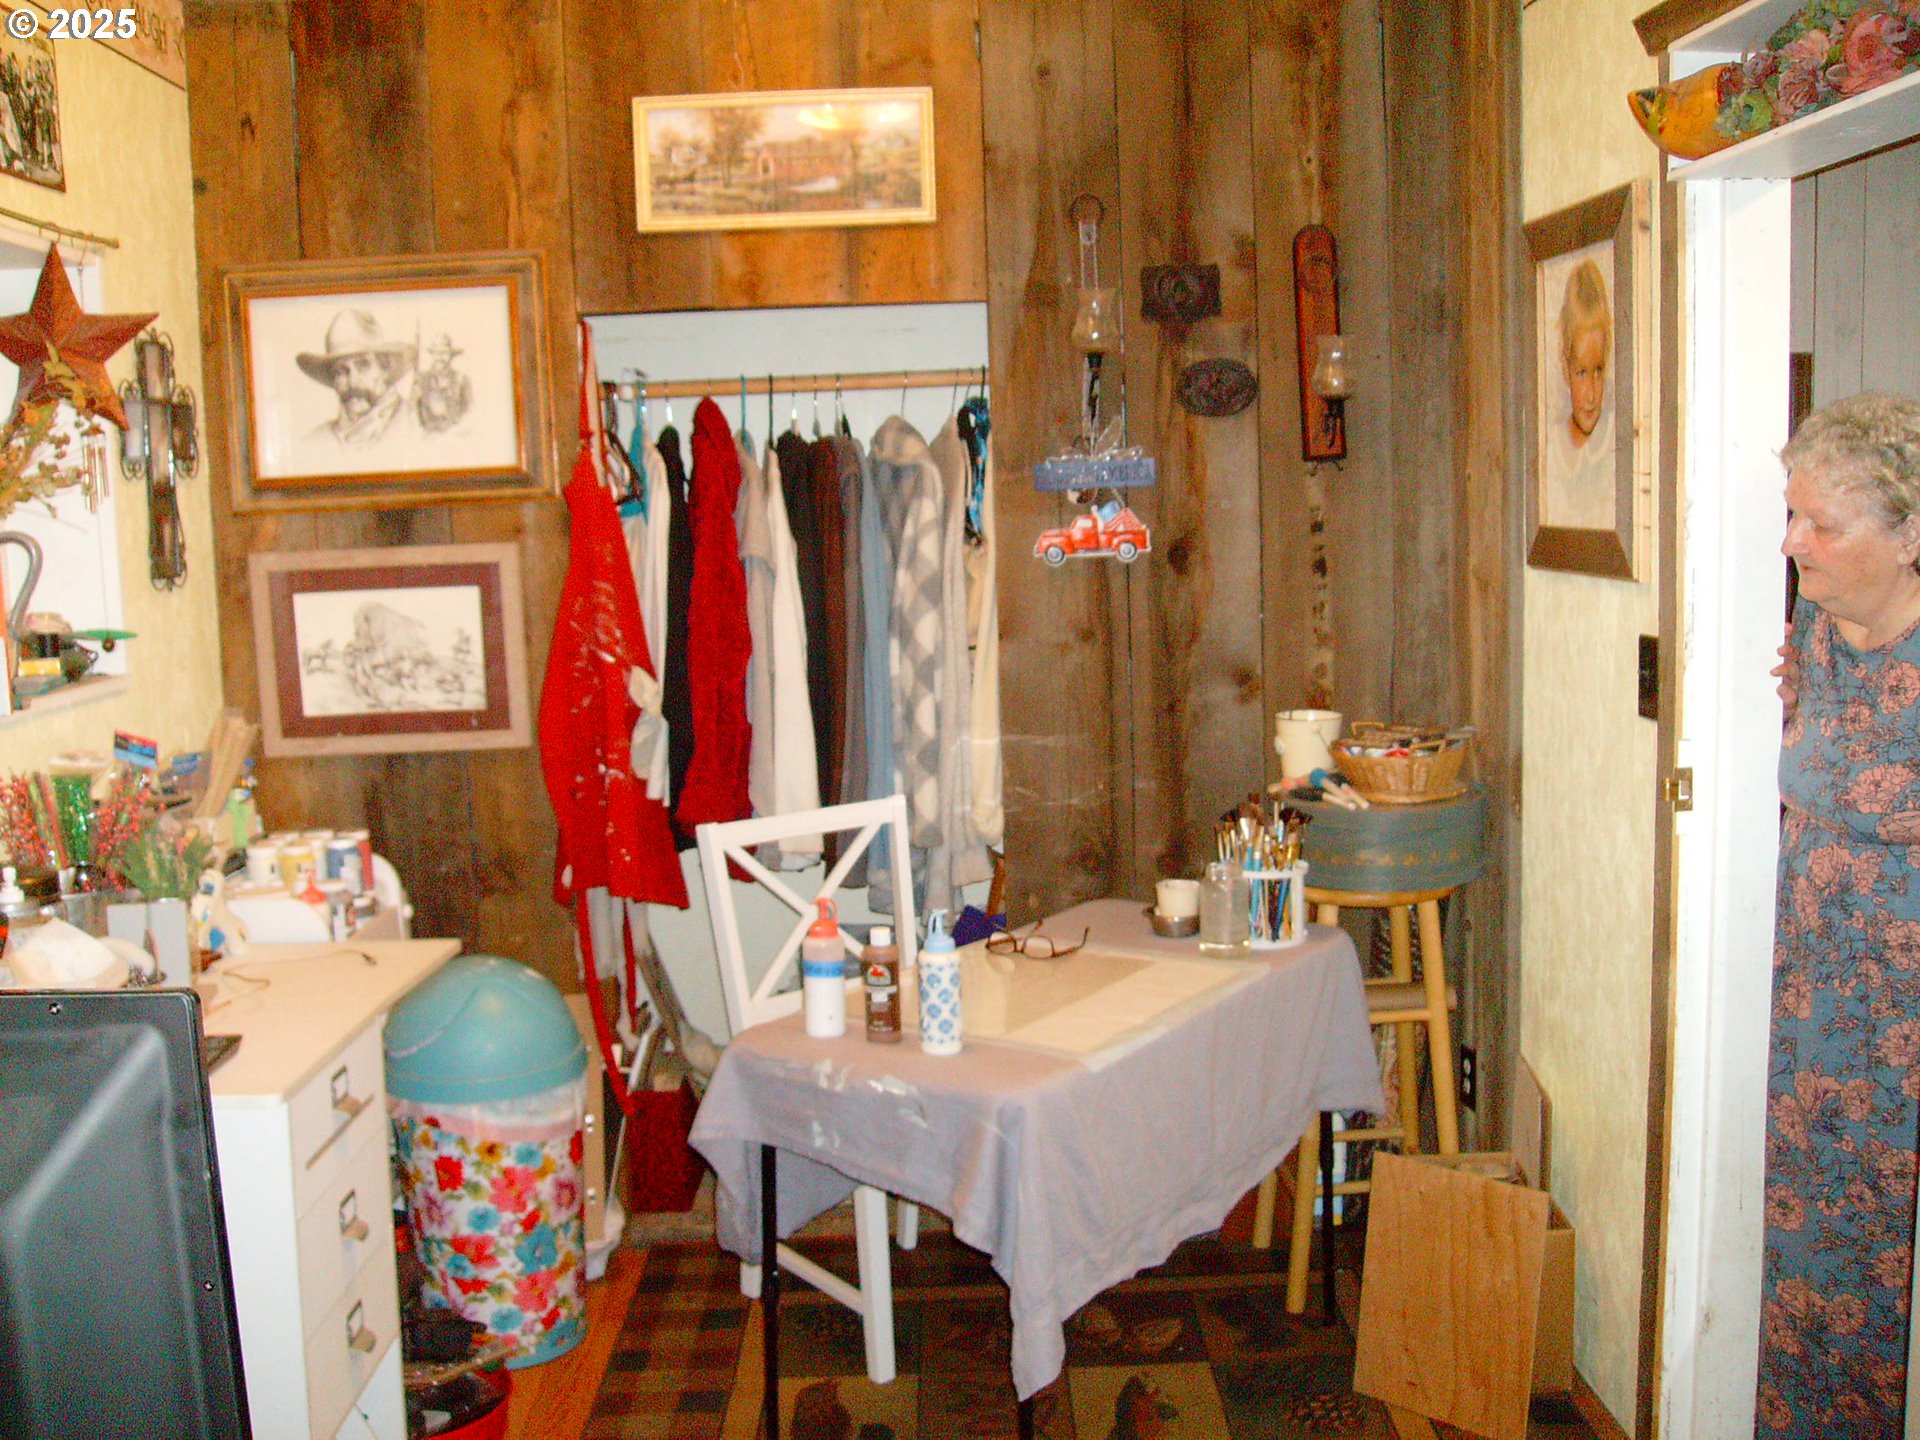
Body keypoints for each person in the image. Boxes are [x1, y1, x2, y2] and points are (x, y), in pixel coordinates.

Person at [1758, 391, 1920, 1437]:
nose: (1792, 540)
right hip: (1809, 1027)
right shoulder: (1813, 635)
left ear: (1910, 535)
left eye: (1823, 523)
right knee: (1807, 1281)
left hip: (1902, 1040)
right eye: (1793, 512)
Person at [1540, 257, 1614, 531]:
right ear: (1565, 365)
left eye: (1598, 371)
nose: (1592, 395)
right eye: (1581, 373)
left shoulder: (1615, 441)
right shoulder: (1552, 447)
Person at [297, 309, 418, 447]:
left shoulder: (415, 424)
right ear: (333, 381)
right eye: (341, 371)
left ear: (384, 369)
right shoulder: (316, 442)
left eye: (363, 365)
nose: (353, 382)